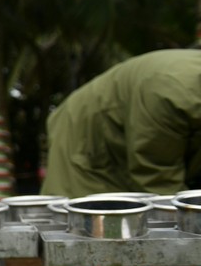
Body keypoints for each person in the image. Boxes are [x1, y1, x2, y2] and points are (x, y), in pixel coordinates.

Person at [41, 48, 201, 198]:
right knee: (80, 219)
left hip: (139, 138)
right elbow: (156, 177)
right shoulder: (171, 95)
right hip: (87, 138)